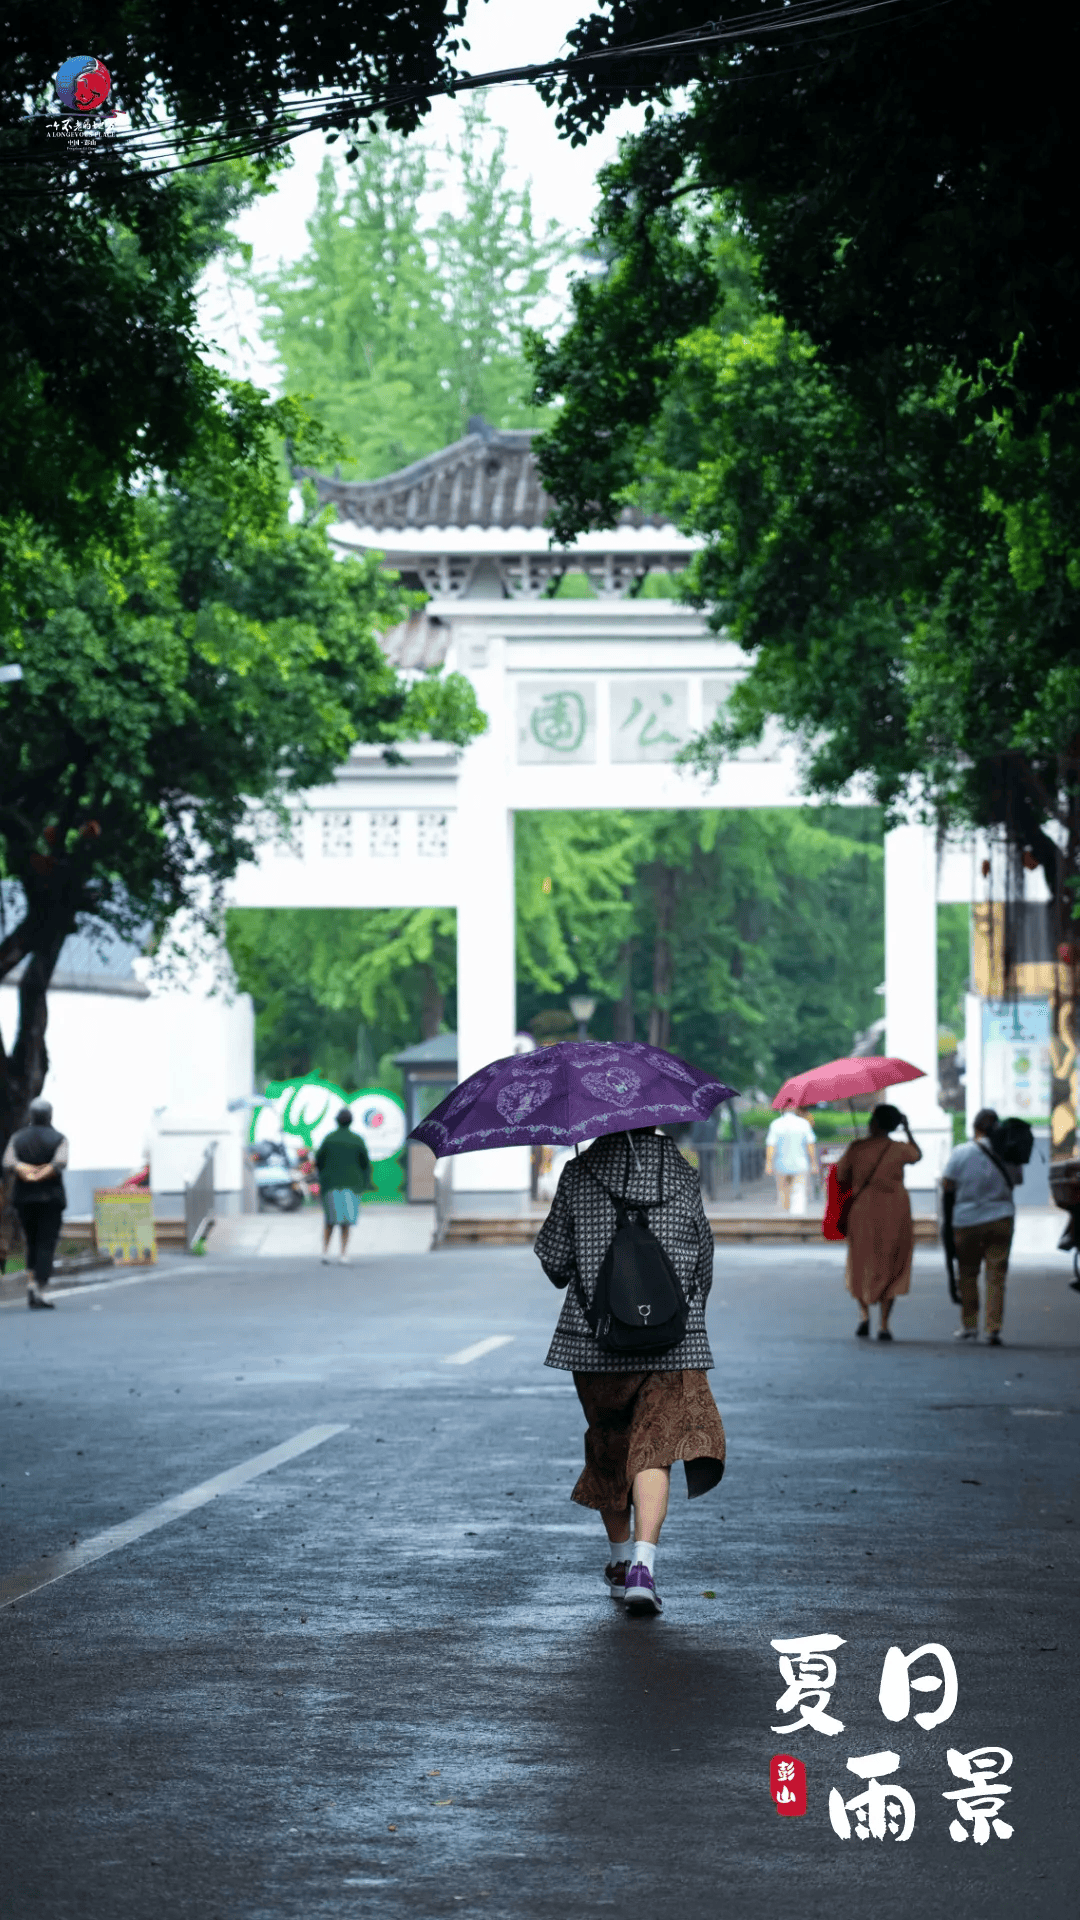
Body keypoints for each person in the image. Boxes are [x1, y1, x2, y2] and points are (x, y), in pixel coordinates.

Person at [534, 1127, 726, 1617]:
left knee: (611, 1442)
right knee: (655, 1447)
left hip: (596, 1341)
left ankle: (619, 1564)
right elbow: (703, 1259)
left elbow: (555, 1263)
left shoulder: (579, 1172)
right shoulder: (682, 1173)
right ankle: (644, 1565)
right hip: (671, 1340)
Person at [835, 1104, 922, 1341]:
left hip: (863, 1211)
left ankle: (863, 1316)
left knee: (862, 1260)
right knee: (892, 1262)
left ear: (873, 1123)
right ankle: (884, 1324)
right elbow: (918, 1156)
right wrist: (908, 1130)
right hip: (895, 1211)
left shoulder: (857, 1148)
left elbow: (841, 1175)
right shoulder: (899, 1149)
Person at [940, 1107, 1021, 1346]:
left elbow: (947, 1185)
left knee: (967, 1273)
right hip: (1001, 1218)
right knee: (997, 1276)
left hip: (967, 1220)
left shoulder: (960, 1153)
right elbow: (1016, 1181)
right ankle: (993, 1329)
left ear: (975, 1127)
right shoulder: (1009, 1153)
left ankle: (970, 1326)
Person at [3, 1097, 69, 1310]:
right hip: (50, 1199)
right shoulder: (59, 1138)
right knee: (46, 1243)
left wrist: (27, 1173)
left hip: (24, 1198)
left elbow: (8, 1162)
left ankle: (31, 1283)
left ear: (31, 1115)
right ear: (50, 1115)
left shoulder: (18, 1137)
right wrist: (42, 1174)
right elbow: (60, 1162)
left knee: (30, 1241)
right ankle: (39, 1288)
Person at [314, 1108, 373, 1263]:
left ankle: (325, 1252)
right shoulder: (357, 1140)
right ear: (351, 1121)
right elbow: (365, 1163)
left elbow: (319, 1161)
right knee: (346, 1221)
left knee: (330, 1219)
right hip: (352, 1185)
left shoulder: (329, 1139)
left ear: (336, 1120)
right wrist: (366, 1183)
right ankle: (343, 1254)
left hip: (330, 1184)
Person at [765, 1105, 819, 1213]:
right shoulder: (803, 1124)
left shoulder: (776, 1124)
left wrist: (769, 1164)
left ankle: (784, 1218)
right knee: (799, 1193)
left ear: (782, 1109)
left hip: (781, 1165)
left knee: (783, 1194)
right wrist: (814, 1163)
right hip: (800, 1165)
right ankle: (797, 1220)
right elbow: (810, 1145)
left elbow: (771, 1146)